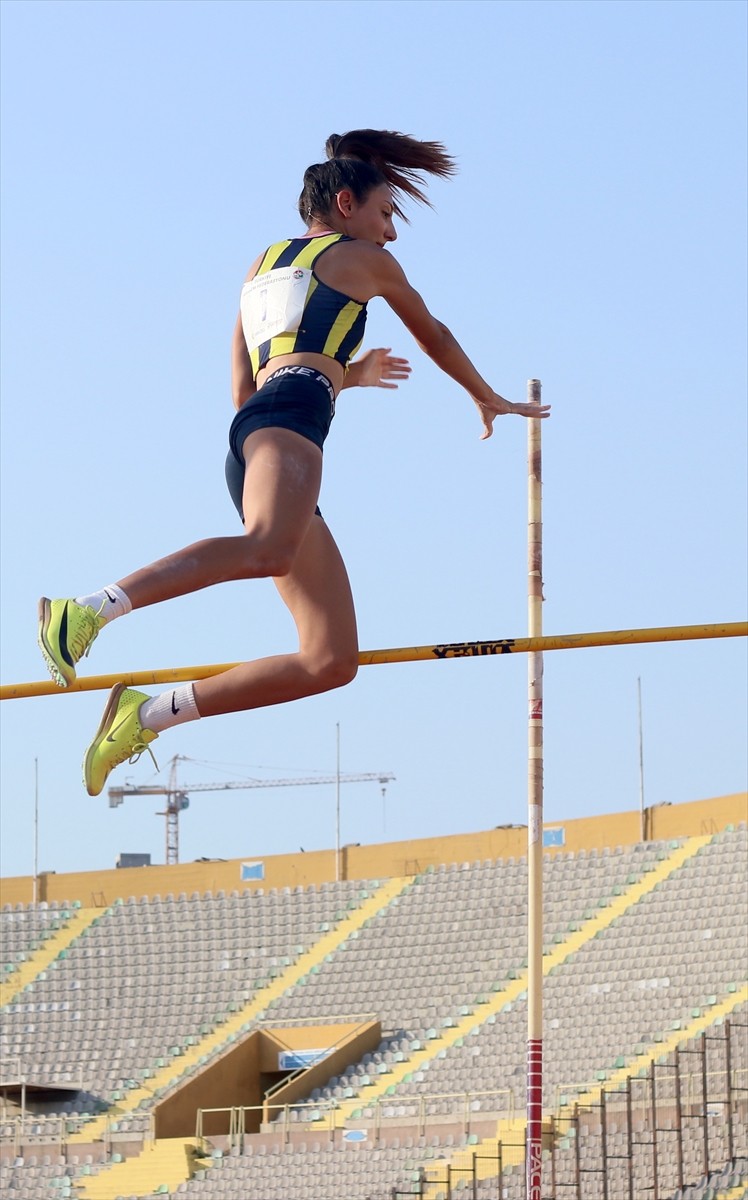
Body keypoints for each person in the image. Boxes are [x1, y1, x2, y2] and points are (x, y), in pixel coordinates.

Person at [38, 129, 550, 797]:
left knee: (330, 660)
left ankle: (148, 714)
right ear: (346, 204)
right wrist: (485, 395)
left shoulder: (262, 265)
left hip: (262, 433)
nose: (391, 234)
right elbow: (436, 335)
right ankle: (88, 611)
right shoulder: (363, 258)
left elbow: (244, 391)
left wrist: (344, 376)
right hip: (289, 425)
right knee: (267, 549)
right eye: (386, 213)